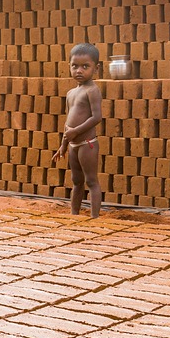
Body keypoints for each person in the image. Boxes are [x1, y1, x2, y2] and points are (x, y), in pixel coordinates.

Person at [52, 43, 104, 218]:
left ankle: (95, 217)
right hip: (73, 144)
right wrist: (63, 145)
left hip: (87, 144)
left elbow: (96, 117)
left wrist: (76, 132)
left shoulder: (92, 91)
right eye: (74, 66)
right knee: (76, 181)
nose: (79, 71)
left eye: (85, 66)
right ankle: (74, 215)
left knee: (91, 181)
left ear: (96, 68)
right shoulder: (71, 93)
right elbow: (68, 123)